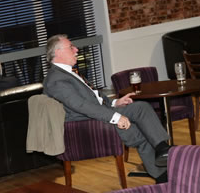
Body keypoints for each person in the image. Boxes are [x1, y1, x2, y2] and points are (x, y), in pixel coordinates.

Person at [44, 34, 170, 182]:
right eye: (71, 47)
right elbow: (80, 105)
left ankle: (162, 152)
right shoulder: (56, 79)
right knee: (139, 125)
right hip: (87, 123)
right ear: (58, 52)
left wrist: (115, 103)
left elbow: (93, 97)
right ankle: (163, 166)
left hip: (97, 114)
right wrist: (115, 117)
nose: (76, 49)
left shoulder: (68, 73)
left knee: (141, 109)